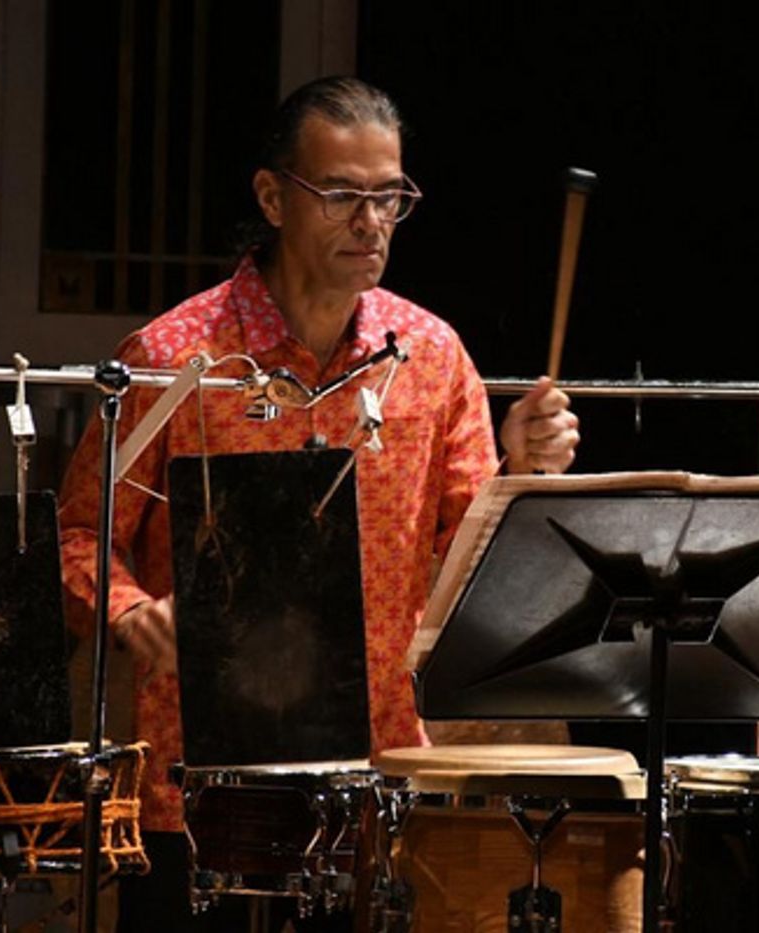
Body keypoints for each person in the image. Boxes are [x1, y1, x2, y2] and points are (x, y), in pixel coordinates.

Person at [57, 76, 580, 931]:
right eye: (341, 196)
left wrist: (523, 470)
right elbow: (78, 533)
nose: (371, 223)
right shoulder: (174, 355)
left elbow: (474, 566)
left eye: (389, 197)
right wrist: (125, 608)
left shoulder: (433, 358)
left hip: (375, 783)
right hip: (196, 783)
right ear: (272, 197)